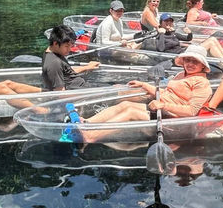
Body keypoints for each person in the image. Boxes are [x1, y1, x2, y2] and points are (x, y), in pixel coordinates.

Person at [79, 45, 214, 142]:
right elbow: (167, 93)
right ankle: (87, 123)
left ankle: (91, 136)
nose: (190, 64)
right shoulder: (181, 74)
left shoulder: (202, 84)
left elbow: (191, 111)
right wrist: (144, 85)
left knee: (132, 112)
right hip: (164, 112)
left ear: (203, 65)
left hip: (176, 122)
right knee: (126, 104)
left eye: (195, 61)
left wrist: (163, 106)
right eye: (187, 60)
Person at [144, 13, 223, 71]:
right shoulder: (160, 35)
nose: (168, 23)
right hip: (178, 58)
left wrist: (189, 32)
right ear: (161, 23)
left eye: (170, 21)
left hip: (185, 52)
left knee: (213, 40)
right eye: (166, 21)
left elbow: (188, 39)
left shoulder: (172, 33)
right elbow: (160, 49)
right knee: (211, 41)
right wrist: (162, 34)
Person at [42, 25, 100, 91]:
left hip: (83, 87)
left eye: (71, 46)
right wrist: (92, 93)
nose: (70, 49)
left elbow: (66, 73)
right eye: (67, 46)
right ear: (55, 43)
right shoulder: (54, 63)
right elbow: (59, 93)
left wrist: (87, 67)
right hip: (83, 93)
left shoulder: (55, 53)